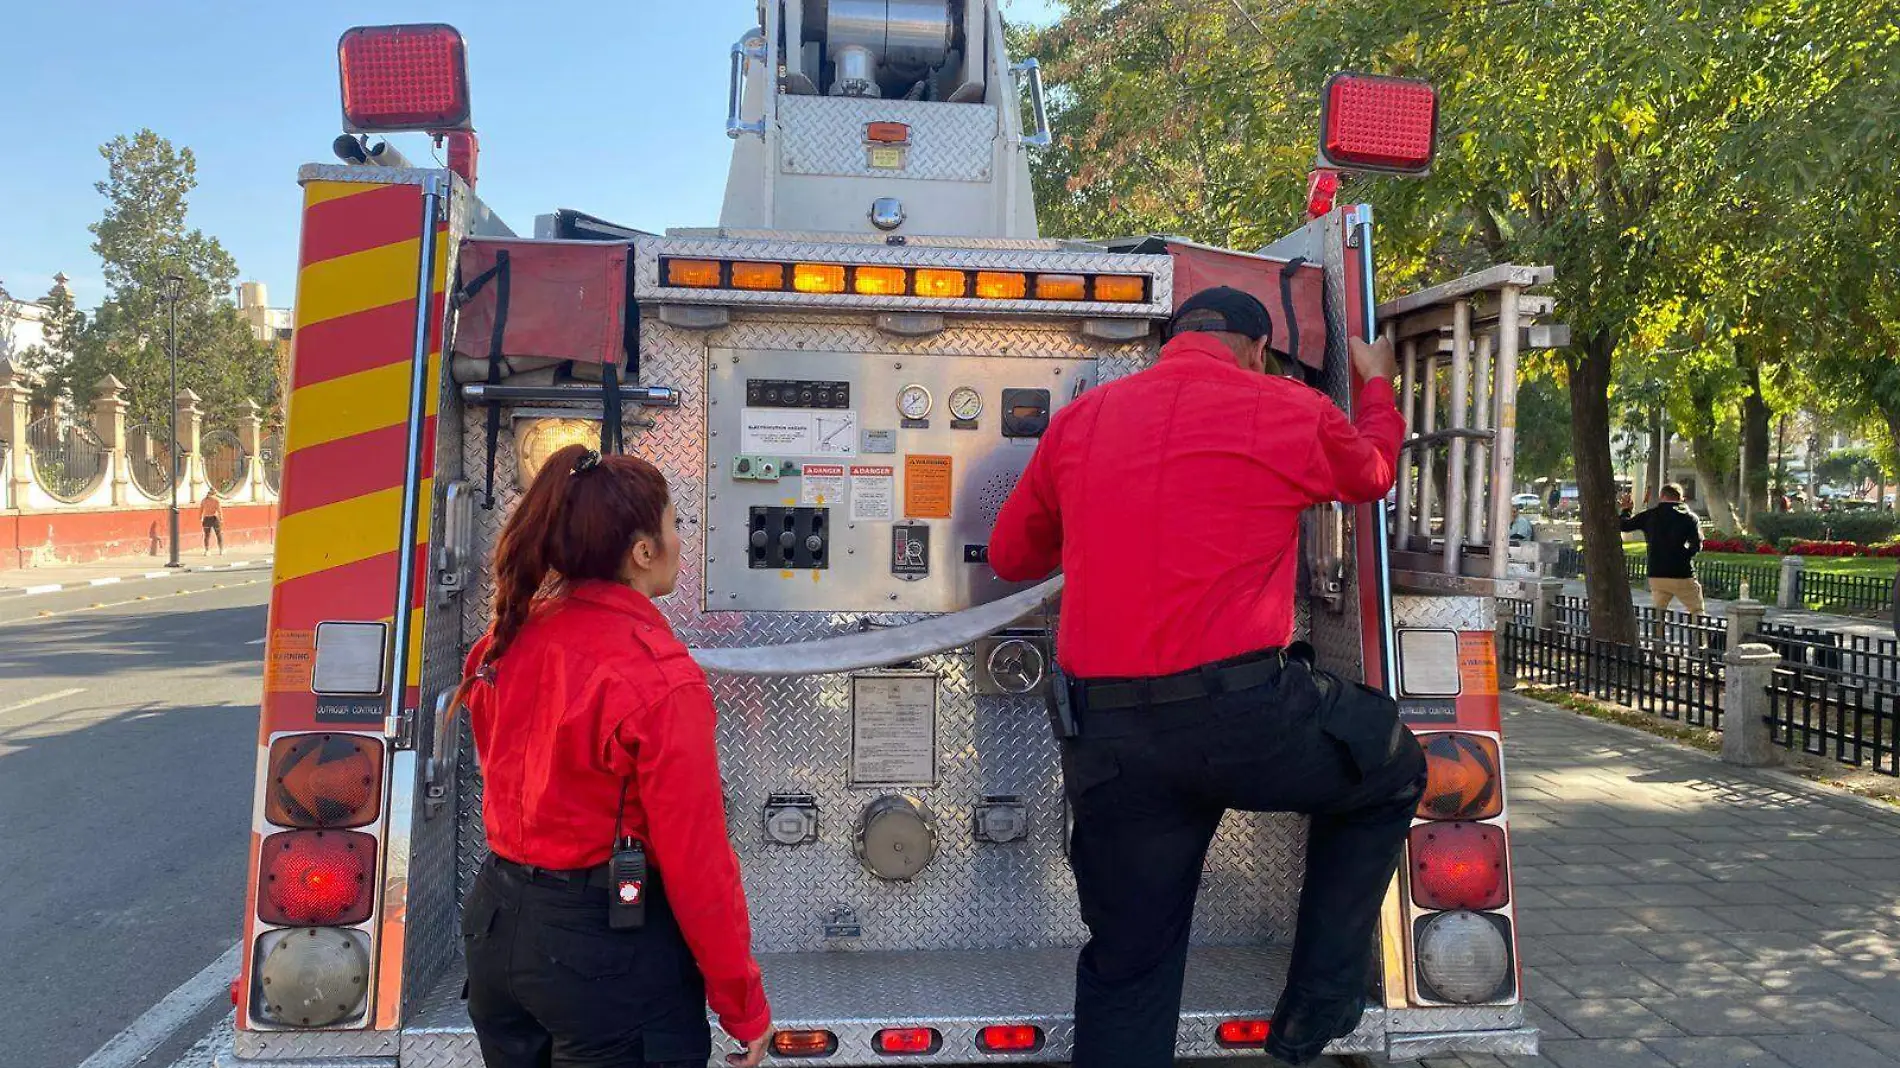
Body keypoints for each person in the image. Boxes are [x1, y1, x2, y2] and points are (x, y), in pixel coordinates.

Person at [989, 287, 1425, 1068]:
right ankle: (1316, 1010)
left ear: (1168, 342)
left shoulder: (1083, 419)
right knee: (1390, 768)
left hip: (1112, 738)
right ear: (1257, 349)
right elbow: (1373, 475)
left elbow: (1013, 558)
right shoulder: (1289, 408)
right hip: (1246, 721)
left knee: (1130, 964)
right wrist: (1377, 385)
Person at [456, 444, 772, 1068]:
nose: (684, 540)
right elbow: (697, 862)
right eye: (676, 524)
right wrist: (743, 1004)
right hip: (604, 957)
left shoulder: (505, 641)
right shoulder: (657, 679)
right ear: (642, 552)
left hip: (498, 928)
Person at [1619, 482, 1705, 615]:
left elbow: (1624, 525)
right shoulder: (1690, 518)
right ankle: (1702, 635)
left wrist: (1626, 510)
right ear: (1681, 497)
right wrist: (1683, 556)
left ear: (1661, 496)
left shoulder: (1649, 515)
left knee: (1658, 613)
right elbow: (1697, 545)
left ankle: (1656, 635)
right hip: (1682, 573)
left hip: (1657, 573)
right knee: (1696, 610)